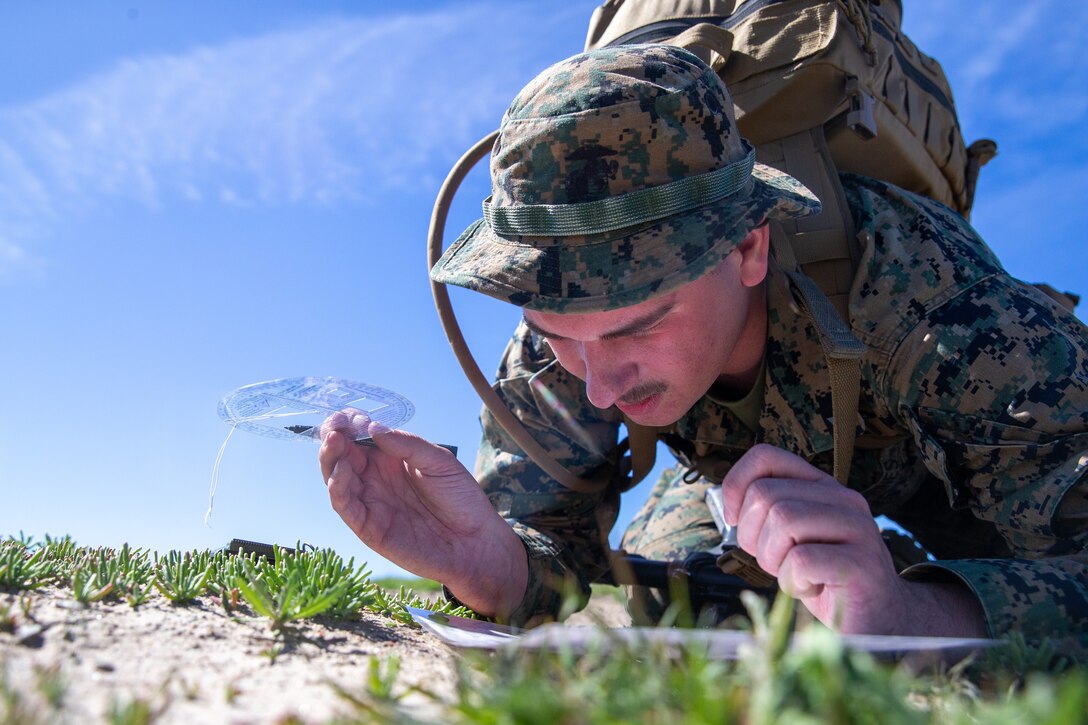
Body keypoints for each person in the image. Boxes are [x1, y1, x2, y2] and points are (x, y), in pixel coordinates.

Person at [319, 45, 1088, 656]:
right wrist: (488, 562)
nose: (596, 385)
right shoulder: (566, 331)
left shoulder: (945, 315)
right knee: (678, 601)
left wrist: (908, 611)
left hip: (955, 479)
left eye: (637, 327)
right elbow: (547, 541)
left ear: (748, 246)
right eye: (561, 337)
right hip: (733, 479)